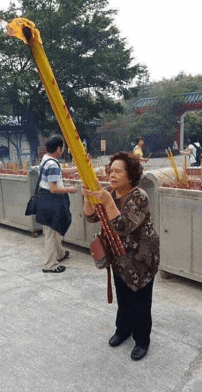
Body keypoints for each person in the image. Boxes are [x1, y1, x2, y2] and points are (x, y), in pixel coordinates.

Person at [82, 151, 159, 361]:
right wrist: (88, 198)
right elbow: (90, 217)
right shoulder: (110, 193)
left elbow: (123, 226)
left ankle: (142, 340)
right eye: (110, 171)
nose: (112, 175)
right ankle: (123, 330)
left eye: (117, 171)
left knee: (140, 303)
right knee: (124, 298)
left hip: (141, 261)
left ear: (130, 175)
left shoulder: (139, 197)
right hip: (119, 258)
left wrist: (107, 201)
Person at [36, 134, 77, 273]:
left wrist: (76, 169)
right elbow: (54, 189)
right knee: (51, 233)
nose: (63, 150)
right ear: (59, 148)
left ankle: (59, 254)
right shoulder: (52, 163)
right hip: (51, 201)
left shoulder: (46, 159)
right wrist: (70, 189)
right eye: (62, 148)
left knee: (54, 231)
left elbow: (59, 173)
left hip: (44, 200)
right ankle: (49, 265)